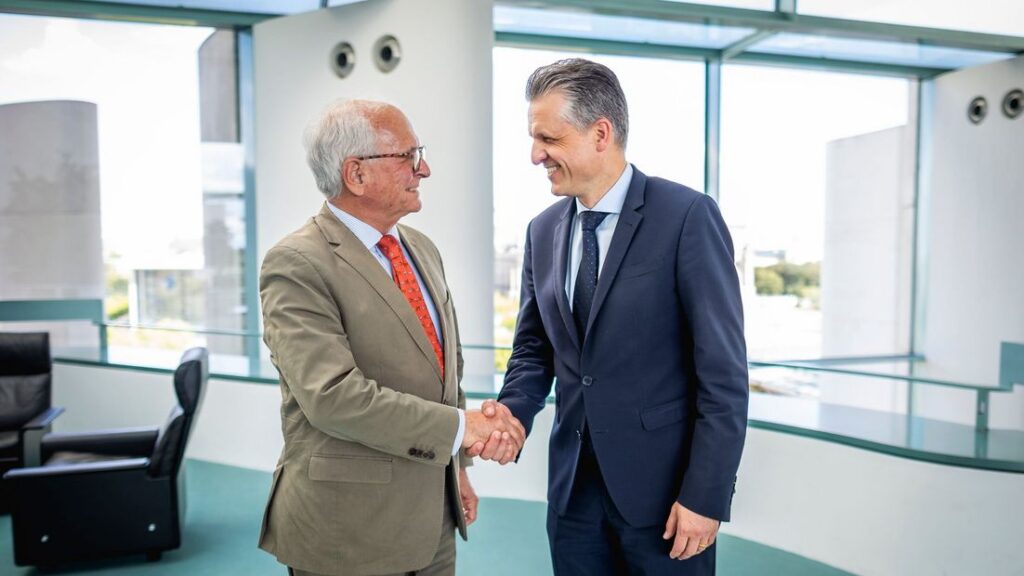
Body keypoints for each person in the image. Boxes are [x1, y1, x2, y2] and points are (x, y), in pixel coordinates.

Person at [473, 58, 749, 575]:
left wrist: (706, 496)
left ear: (601, 133)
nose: (536, 155)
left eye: (548, 139)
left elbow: (724, 375)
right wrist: (512, 414)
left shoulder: (687, 217)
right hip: (573, 496)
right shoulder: (541, 230)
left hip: (667, 501)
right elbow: (535, 349)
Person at [258, 99, 524, 576]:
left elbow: (445, 369)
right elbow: (333, 397)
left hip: (433, 522)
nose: (424, 169)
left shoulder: (421, 248)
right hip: (348, 532)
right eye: (408, 155)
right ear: (356, 174)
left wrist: (457, 464)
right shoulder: (297, 263)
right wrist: (466, 428)